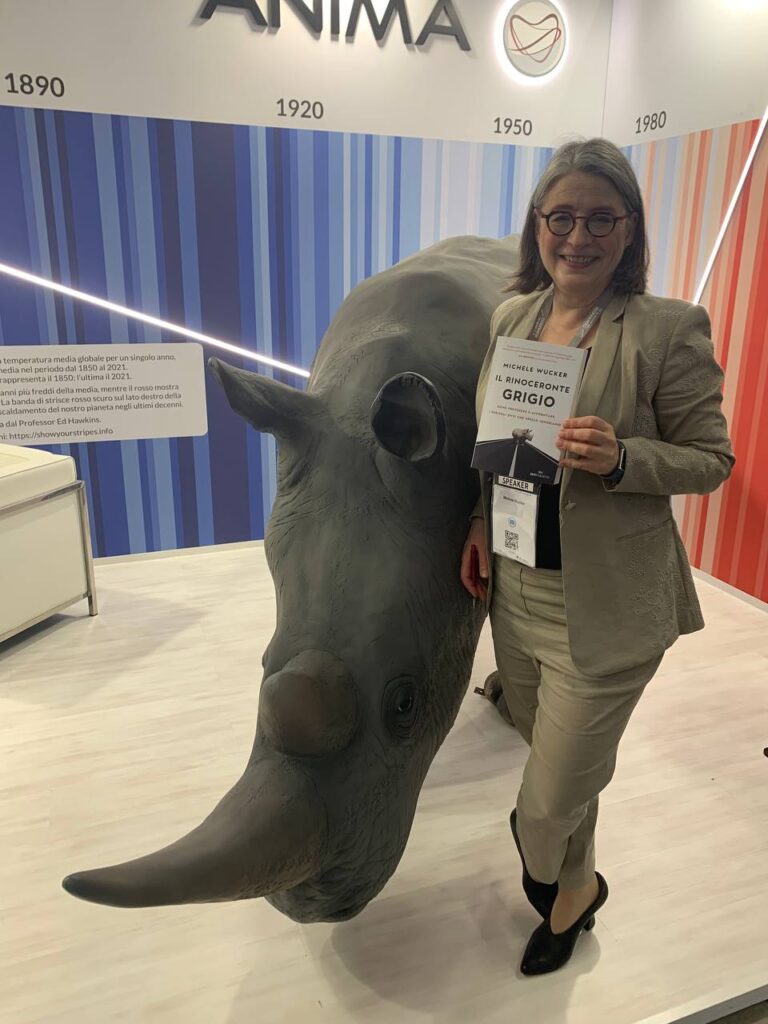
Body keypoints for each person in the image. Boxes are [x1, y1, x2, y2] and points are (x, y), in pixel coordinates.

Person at [460, 138, 734, 977]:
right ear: (538, 225)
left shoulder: (665, 328)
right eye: (562, 217)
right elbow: (496, 440)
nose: (578, 236)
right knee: (568, 774)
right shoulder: (512, 318)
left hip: (608, 605)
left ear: (629, 229)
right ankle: (576, 894)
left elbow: (712, 459)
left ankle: (553, 865)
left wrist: (622, 458)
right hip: (517, 588)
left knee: (544, 804)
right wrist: (478, 519)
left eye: (600, 218)